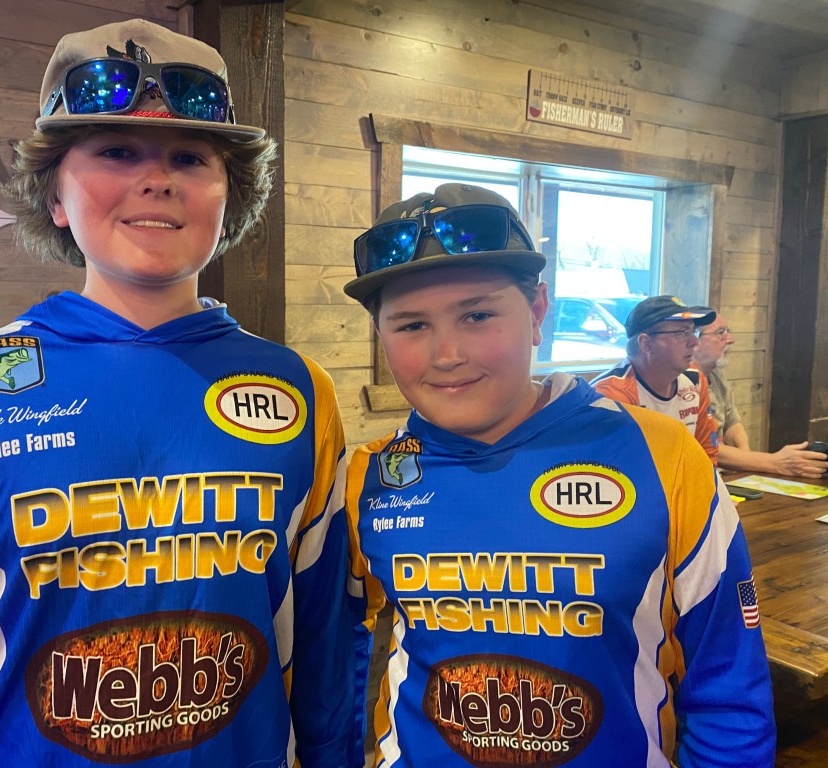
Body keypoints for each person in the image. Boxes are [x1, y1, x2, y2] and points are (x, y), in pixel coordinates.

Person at [0, 19, 352, 768]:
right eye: (116, 151)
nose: (158, 178)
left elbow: (327, 657)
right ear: (55, 193)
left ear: (231, 195)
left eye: (190, 157)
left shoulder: (301, 393)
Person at [342, 183, 775, 767]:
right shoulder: (369, 477)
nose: (447, 355)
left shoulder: (664, 455)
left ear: (538, 312)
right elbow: (333, 660)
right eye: (411, 325)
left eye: (478, 315)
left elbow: (728, 683)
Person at [693, 311, 828, 478]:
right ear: (695, 341)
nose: (730, 339)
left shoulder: (715, 374)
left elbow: (732, 424)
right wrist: (774, 462)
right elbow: (702, 445)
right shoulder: (685, 384)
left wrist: (745, 460)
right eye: (721, 333)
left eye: (728, 331)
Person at [591, 295, 720, 465]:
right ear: (646, 344)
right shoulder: (611, 396)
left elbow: (706, 455)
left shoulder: (695, 379)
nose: (694, 342)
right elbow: (615, 471)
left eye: (692, 331)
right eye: (682, 333)